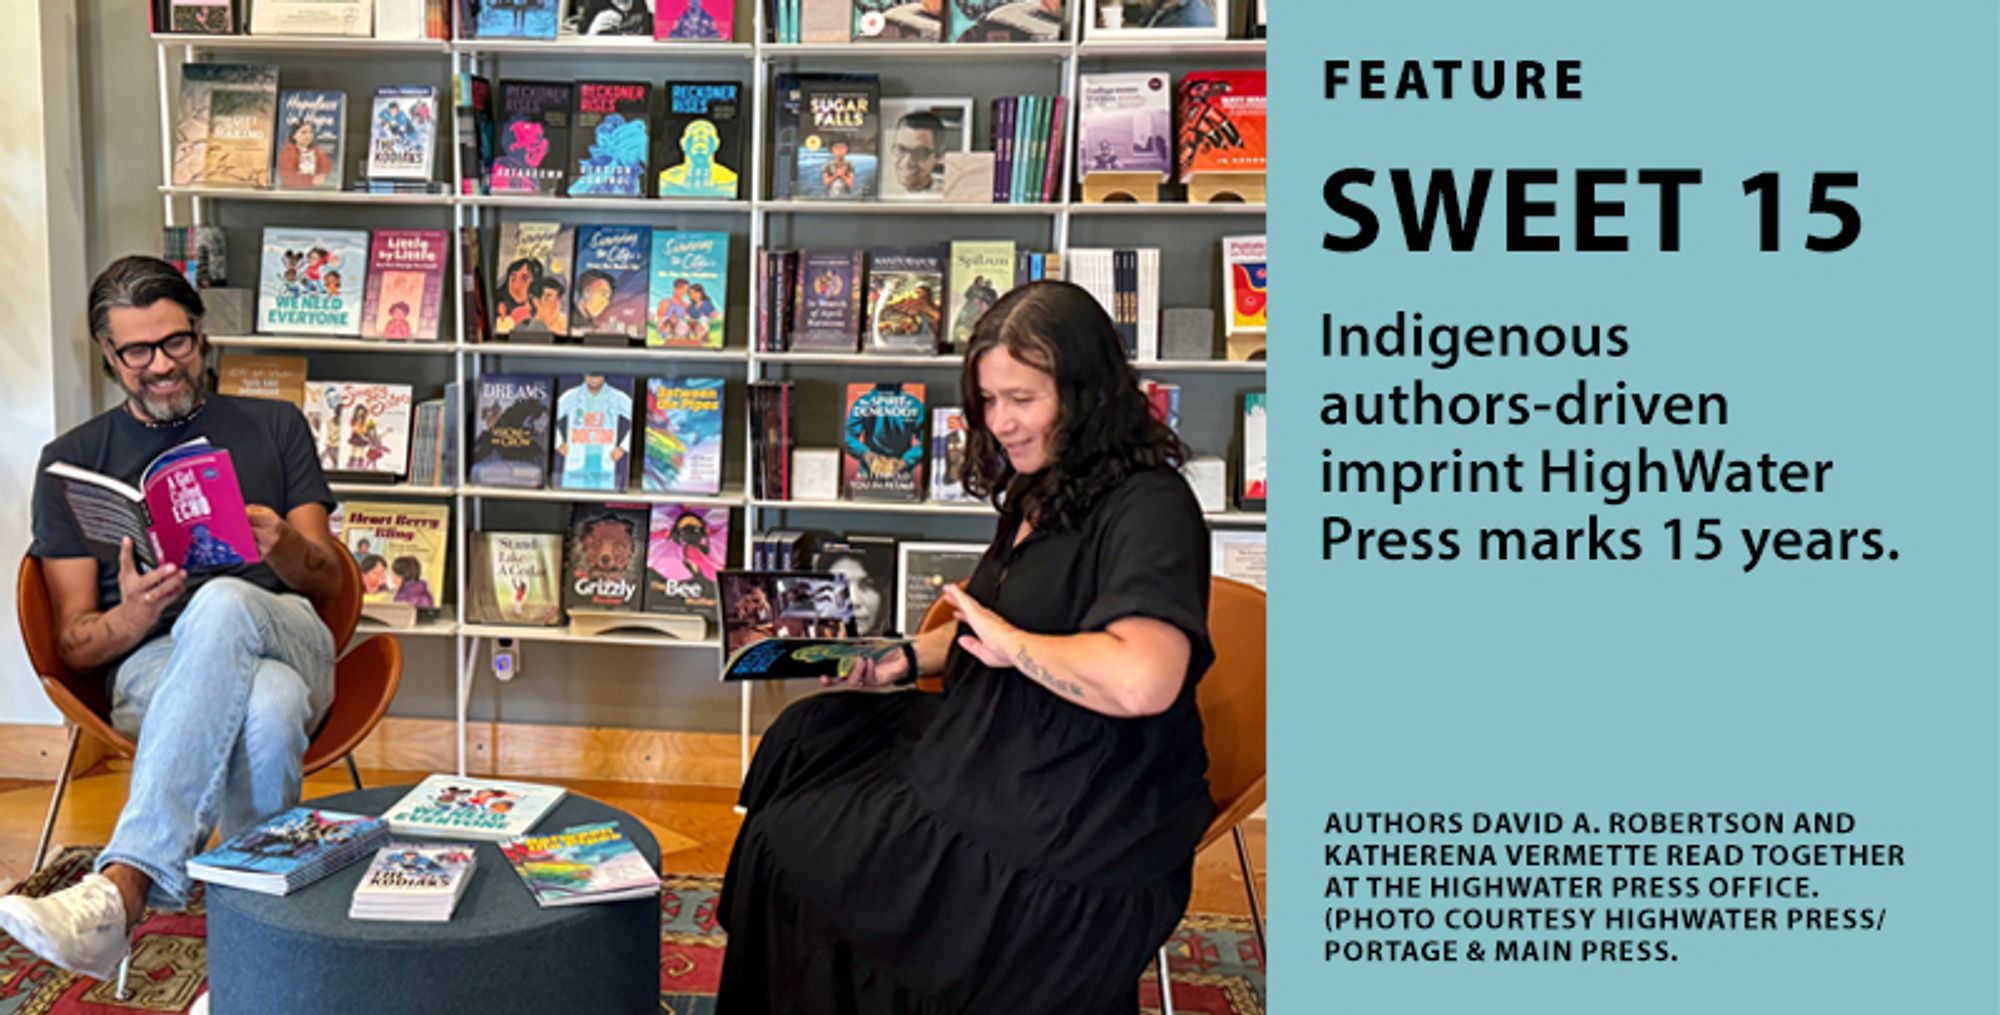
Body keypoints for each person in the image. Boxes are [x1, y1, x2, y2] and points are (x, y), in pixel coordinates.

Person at [717, 280, 1213, 1013]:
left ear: (1086, 393)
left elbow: (1143, 678)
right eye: (987, 399)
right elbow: (992, 623)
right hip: (996, 733)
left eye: (1023, 398)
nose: (1001, 422)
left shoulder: (1152, 507)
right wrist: (905, 660)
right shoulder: (1040, 484)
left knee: (804, 848)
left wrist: (1012, 644)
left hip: (1083, 792)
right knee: (804, 740)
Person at [1, 256, 343, 981]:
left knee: (223, 603)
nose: (160, 365)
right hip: (155, 663)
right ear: (108, 353)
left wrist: (282, 544)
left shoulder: (276, 427)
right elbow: (73, 641)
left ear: (200, 333)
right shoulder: (73, 461)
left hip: (287, 627)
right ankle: (264, 955)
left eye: (176, 342)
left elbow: (330, 580)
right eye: (137, 351)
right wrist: (132, 615)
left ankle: (123, 887)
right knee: (269, 705)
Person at [890, 110, 946, 196]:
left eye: (920, 153)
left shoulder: (948, 197)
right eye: (901, 150)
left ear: (939, 155)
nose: (907, 162)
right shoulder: (880, 190)